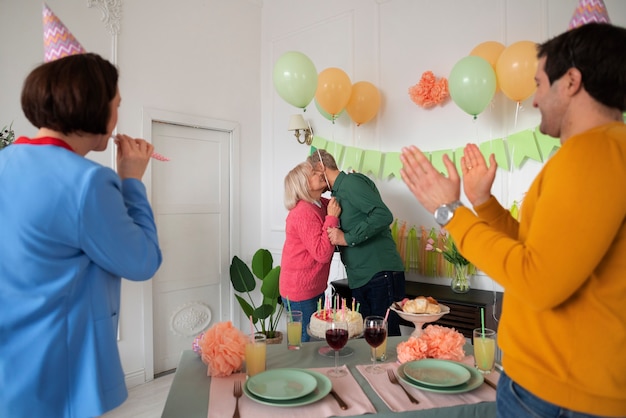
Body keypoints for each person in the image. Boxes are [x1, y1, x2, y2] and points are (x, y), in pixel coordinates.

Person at [400, 23, 626, 417]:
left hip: (558, 396)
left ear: (571, 81)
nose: (535, 99)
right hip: (551, 389)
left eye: (540, 83)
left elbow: (537, 281)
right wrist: (484, 205)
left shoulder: (594, 155)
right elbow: (537, 251)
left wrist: (450, 213)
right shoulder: (598, 152)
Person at [0, 53, 163, 417]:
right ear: (95, 107)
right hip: (62, 375)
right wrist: (132, 181)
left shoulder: (4, 162)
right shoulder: (87, 182)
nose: (117, 115)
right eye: (116, 105)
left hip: (10, 373)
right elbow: (143, 260)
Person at [308, 150, 406, 336]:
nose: (311, 179)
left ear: (321, 167)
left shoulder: (351, 183)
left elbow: (383, 215)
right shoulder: (339, 193)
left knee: (386, 337)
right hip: (362, 277)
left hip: (378, 272)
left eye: (312, 173)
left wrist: (346, 238)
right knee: (367, 338)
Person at [280, 161, 341, 342]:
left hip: (312, 287)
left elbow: (336, 203)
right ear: (304, 183)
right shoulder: (302, 212)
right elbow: (321, 253)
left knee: (312, 337)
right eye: (314, 173)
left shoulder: (318, 203)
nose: (320, 173)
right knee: (306, 341)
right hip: (300, 290)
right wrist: (331, 218)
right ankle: (302, 371)